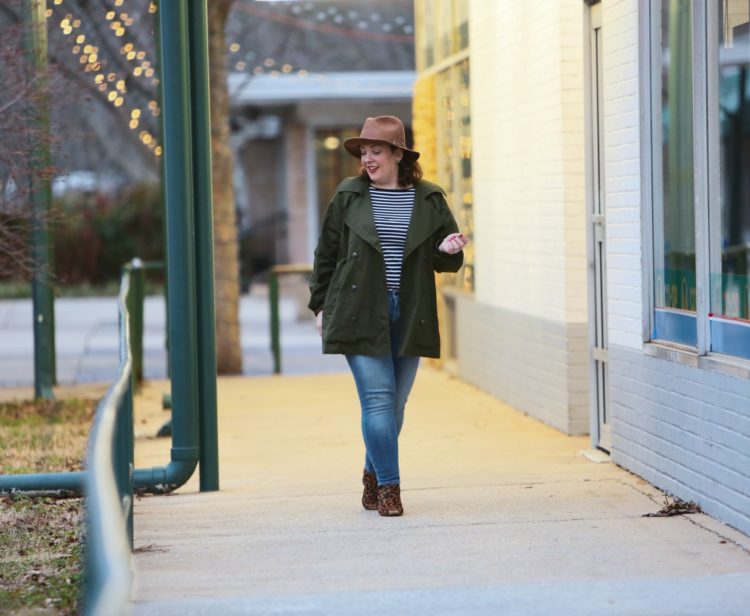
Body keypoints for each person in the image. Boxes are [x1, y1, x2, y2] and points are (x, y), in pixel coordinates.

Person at [308, 115, 467, 517]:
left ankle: (371, 473)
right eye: (364, 153)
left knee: (396, 405)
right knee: (378, 401)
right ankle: (390, 489)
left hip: (410, 310)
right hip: (359, 309)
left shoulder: (429, 198)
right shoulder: (349, 196)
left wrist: (448, 250)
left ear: (398, 153)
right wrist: (320, 304)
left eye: (376, 151)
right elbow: (326, 255)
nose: (368, 160)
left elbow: (443, 260)